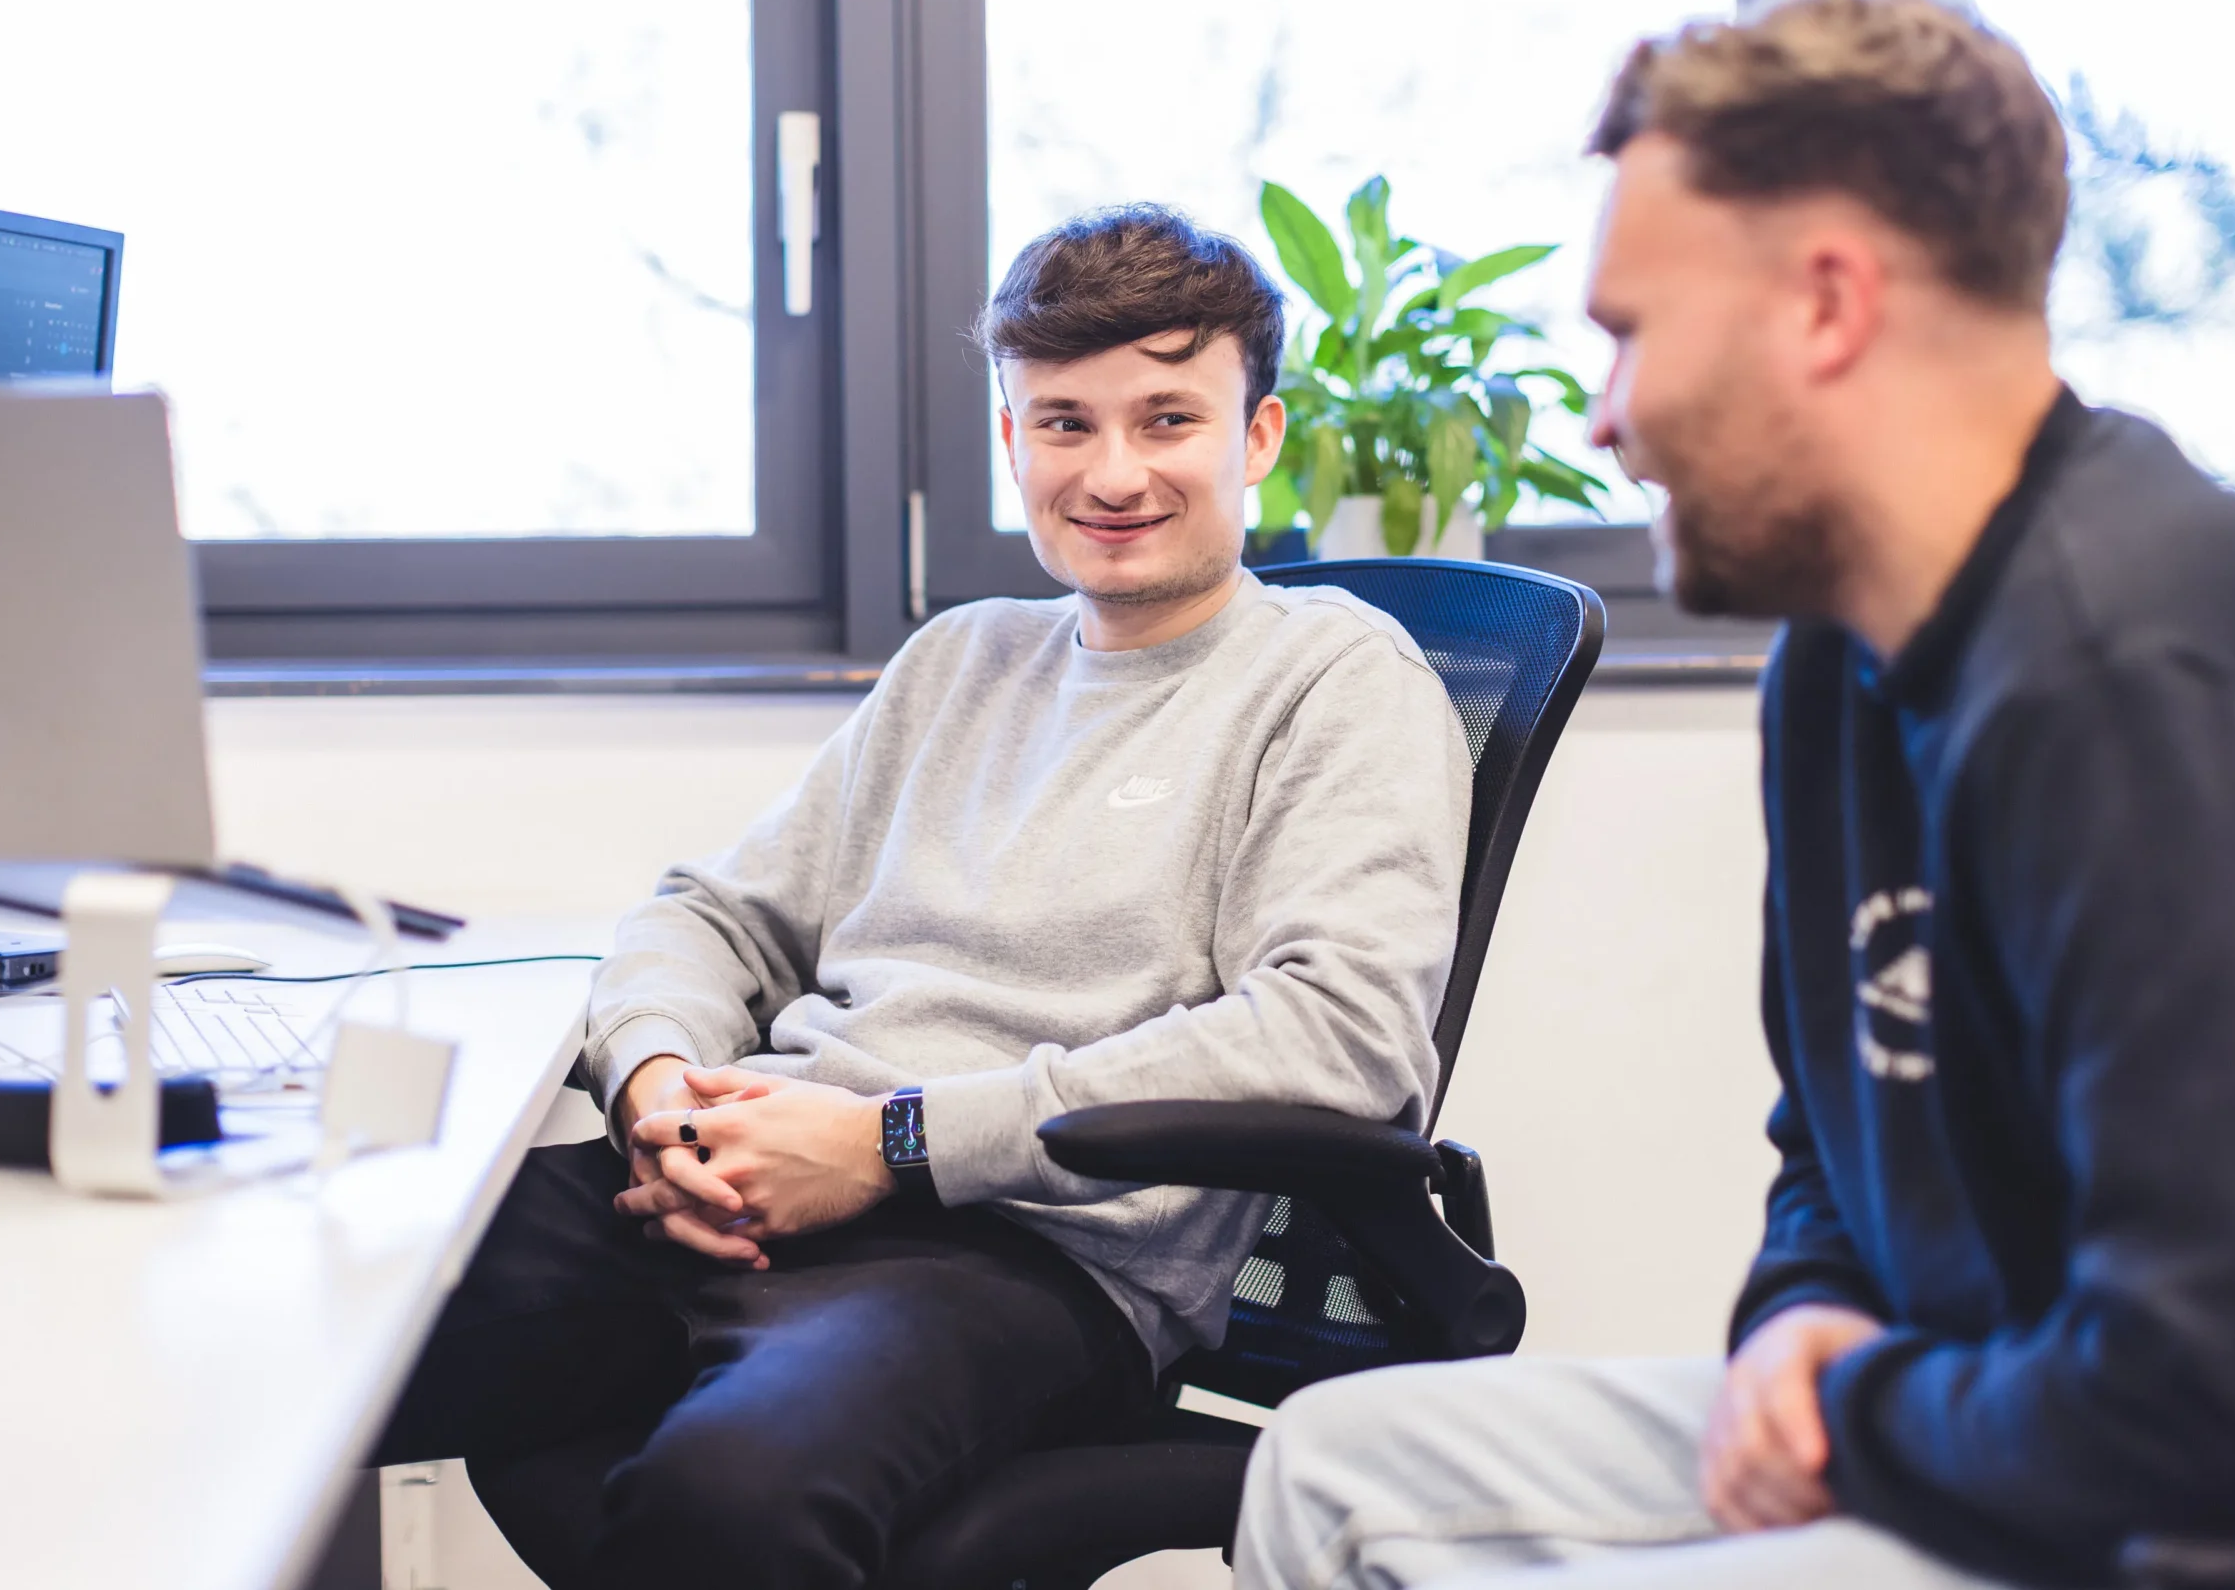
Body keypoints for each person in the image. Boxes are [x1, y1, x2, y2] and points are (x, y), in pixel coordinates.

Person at [1234, 0, 2235, 1590]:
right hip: (1993, 1414)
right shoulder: (1838, 668)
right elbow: (1834, 1145)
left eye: (1633, 334)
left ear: (1830, 303)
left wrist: (1849, 1409)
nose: (1610, 417)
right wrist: (1807, 1315)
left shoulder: (2141, 667)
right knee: (1333, 1467)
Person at [371, 204, 1473, 1590]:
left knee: (729, 1505)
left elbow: (1340, 1042)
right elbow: (714, 914)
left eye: (1168, 419)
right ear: (1013, 442)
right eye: (1065, 422)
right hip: (738, 1174)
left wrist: (889, 1144)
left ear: (1254, 437)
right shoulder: (963, 661)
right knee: (302, 1329)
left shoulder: (1339, 679)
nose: (1114, 470)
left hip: (1021, 1253)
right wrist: (659, 1088)